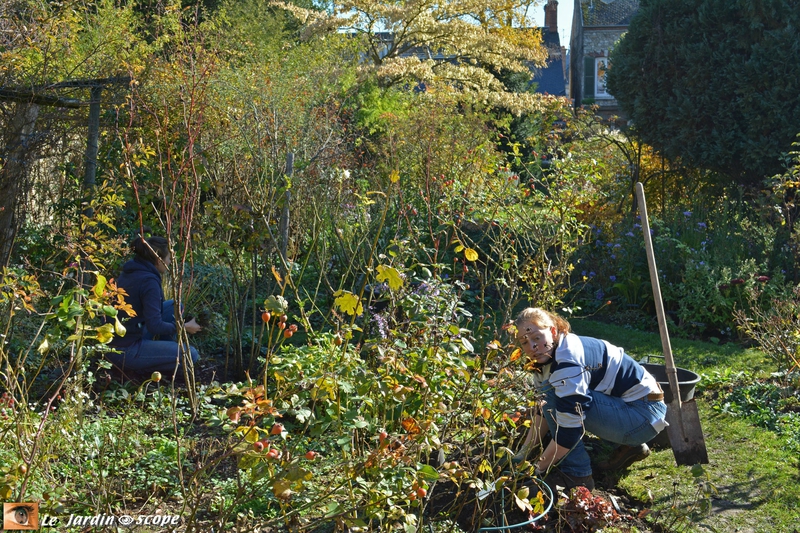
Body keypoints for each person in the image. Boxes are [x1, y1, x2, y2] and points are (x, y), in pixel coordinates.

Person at [512, 307, 668, 492]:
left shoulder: (567, 363)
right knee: (552, 395)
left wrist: (537, 470)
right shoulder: (551, 355)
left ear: (553, 331)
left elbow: (569, 429)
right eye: (524, 342)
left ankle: (577, 475)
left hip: (642, 416)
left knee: (556, 397)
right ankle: (631, 447)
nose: (532, 347)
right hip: (637, 410)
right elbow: (543, 410)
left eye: (537, 337)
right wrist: (521, 457)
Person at [107, 235, 202, 377]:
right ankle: (145, 368)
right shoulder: (148, 282)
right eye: (168, 258)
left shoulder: (133, 270)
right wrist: (185, 328)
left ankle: (167, 350)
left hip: (124, 336)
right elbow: (155, 326)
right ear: (158, 259)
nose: (170, 262)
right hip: (125, 350)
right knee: (190, 355)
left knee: (174, 306)